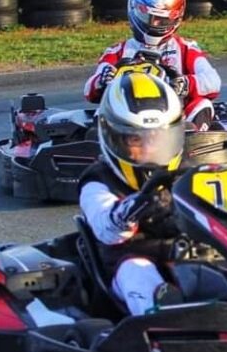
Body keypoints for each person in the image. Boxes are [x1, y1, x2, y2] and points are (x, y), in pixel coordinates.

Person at [79, 71, 187, 316]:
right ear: (113, 138)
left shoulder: (187, 173)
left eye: (157, 138)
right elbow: (107, 228)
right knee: (137, 271)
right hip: (126, 268)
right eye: (136, 139)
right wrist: (137, 206)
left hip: (186, 257)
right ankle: (164, 321)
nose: (150, 149)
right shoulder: (96, 181)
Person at [84, 0, 222, 131]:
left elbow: (213, 81)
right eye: (147, 16)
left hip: (172, 121)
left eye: (161, 20)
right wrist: (102, 81)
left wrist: (185, 84)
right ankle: (104, 143)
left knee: (203, 105)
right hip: (127, 120)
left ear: (175, 19)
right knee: (101, 110)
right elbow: (88, 90)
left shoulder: (185, 48)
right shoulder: (118, 52)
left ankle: (190, 143)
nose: (154, 23)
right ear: (135, 9)